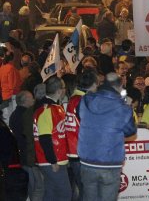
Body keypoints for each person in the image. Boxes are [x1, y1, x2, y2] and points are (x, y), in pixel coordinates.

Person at [78, 72, 137, 201]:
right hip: (110, 162)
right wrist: (128, 106)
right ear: (119, 86)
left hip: (87, 161)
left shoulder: (86, 100)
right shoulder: (122, 107)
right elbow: (130, 131)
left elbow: (80, 116)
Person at [33, 77, 71, 201]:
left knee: (51, 194)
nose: (65, 90)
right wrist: (52, 161)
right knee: (65, 194)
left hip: (55, 159)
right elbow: (44, 138)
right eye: (64, 88)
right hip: (52, 161)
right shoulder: (46, 110)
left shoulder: (53, 107)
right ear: (59, 91)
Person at [65, 69, 98, 201]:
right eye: (98, 83)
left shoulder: (73, 98)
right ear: (93, 84)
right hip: (82, 154)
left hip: (74, 152)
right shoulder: (83, 101)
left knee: (81, 191)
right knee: (88, 192)